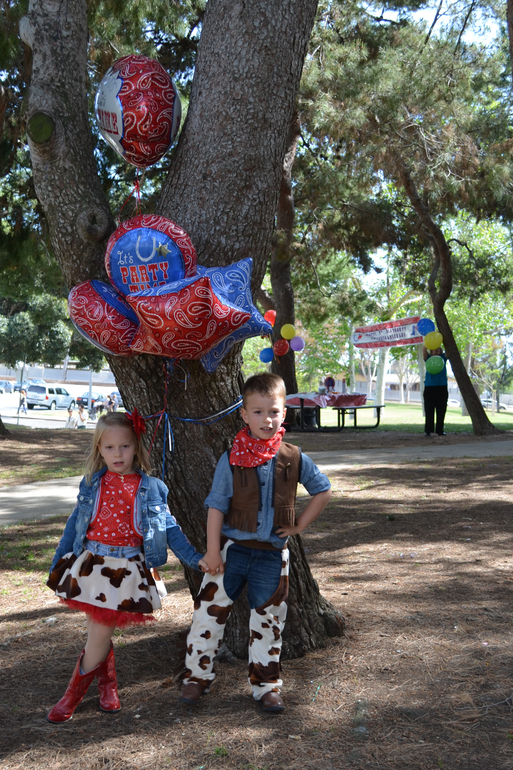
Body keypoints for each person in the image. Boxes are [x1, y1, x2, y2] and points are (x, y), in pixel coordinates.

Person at [178, 372, 332, 713]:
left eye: (274, 411)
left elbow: (323, 489)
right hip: (232, 552)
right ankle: (196, 678)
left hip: (271, 555)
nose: (267, 419)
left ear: (284, 412)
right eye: (258, 412)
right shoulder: (231, 457)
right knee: (208, 615)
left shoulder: (293, 457)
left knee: (268, 621)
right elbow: (216, 506)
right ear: (245, 415)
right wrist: (214, 549)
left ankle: (265, 686)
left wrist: (299, 525)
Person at [45, 410, 208, 723]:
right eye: (109, 448)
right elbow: (74, 524)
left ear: (137, 448)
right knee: (99, 631)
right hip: (92, 566)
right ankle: (106, 686)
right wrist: (59, 563)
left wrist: (194, 558)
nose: (117, 454)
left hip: (124, 572)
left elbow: (169, 528)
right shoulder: (93, 483)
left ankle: (72, 695)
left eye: (124, 446)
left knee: (99, 632)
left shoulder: (152, 488)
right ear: (99, 450)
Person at [423, 345, 448, 436]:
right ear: (431, 351)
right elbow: (424, 350)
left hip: (442, 387)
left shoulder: (443, 358)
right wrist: (428, 342)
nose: (437, 351)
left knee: (441, 410)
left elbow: (448, 351)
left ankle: (440, 430)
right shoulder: (428, 358)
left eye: (438, 349)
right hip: (429, 387)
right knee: (429, 410)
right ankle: (428, 431)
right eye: (435, 349)